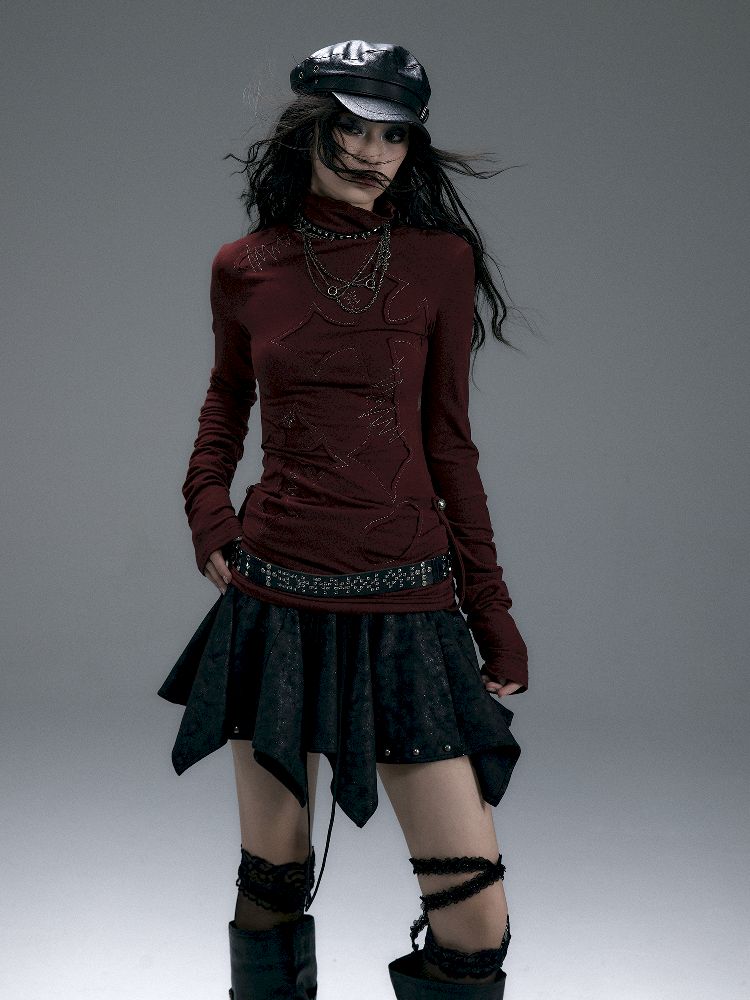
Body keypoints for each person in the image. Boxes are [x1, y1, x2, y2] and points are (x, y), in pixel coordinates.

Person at [158, 39, 530, 999]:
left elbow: (450, 445)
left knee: (474, 918)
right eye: (351, 131)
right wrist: (208, 514)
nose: (372, 153)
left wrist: (491, 611)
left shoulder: (440, 263)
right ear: (308, 133)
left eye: (393, 137)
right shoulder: (243, 267)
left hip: (406, 605)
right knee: (271, 881)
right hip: (275, 601)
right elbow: (224, 404)